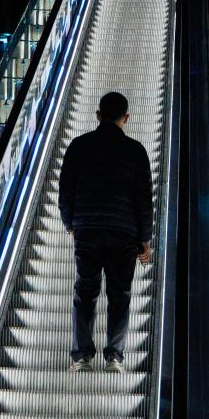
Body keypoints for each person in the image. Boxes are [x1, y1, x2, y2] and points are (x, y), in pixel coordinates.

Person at [58, 91, 153, 372]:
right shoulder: (136, 151)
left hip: (87, 229)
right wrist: (145, 240)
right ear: (126, 118)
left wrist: (70, 224)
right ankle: (114, 357)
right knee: (120, 294)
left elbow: (65, 192)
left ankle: (82, 356)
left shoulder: (78, 146)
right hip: (124, 233)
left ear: (98, 115)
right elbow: (143, 200)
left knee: (85, 292)